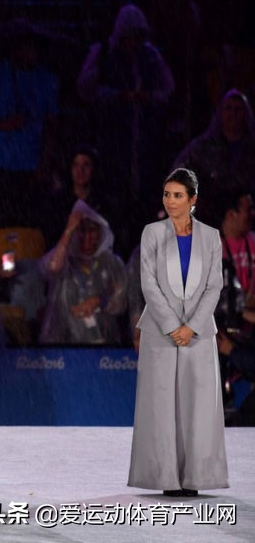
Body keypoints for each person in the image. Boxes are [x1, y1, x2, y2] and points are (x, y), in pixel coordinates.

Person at [128, 168, 229, 497]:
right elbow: (149, 284)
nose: (170, 201)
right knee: (161, 407)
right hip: (160, 333)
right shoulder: (152, 233)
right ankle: (166, 477)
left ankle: (195, 477)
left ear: (193, 199)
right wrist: (173, 326)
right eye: (167, 194)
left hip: (199, 335)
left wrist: (192, 327)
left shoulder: (211, 237)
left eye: (178, 195)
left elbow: (214, 286)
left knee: (198, 407)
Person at [77, 4, 175, 219]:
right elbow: (85, 89)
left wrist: (146, 97)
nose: (132, 42)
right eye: (128, 36)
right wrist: (118, 96)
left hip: (144, 138)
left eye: (136, 36)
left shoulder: (151, 56)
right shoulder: (103, 53)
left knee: (143, 198)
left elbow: (167, 89)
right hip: (111, 135)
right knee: (112, 192)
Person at [0, 32, 58, 227]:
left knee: (26, 226)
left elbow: (52, 125)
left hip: (30, 167)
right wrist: (3, 124)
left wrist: (45, 162)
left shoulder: (47, 79)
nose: (29, 54)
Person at [38, 201, 127, 345]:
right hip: (60, 347)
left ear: (100, 233)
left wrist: (99, 301)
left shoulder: (112, 263)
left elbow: (121, 301)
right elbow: (52, 267)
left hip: (103, 348)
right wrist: (69, 229)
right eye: (81, 230)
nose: (87, 236)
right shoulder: (64, 259)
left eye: (92, 230)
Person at [173, 89, 255, 220]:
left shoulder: (251, 148)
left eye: (238, 109)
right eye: (228, 108)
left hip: (245, 212)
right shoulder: (202, 146)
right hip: (210, 212)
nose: (233, 114)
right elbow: (180, 172)